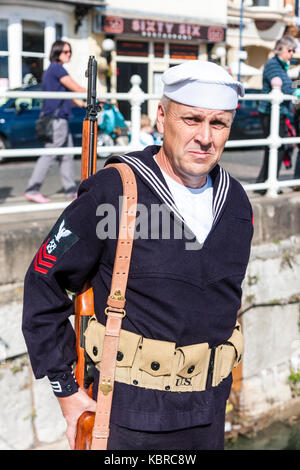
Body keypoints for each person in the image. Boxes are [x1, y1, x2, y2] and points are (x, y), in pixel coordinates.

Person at [22, 60, 253, 450]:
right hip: (128, 420)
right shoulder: (116, 192)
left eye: (218, 124)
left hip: (210, 417)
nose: (204, 137)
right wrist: (68, 393)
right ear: (162, 118)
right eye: (191, 119)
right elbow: (44, 279)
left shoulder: (236, 203)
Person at [24, 40, 86, 204]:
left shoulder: (53, 69)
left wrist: (83, 104)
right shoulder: (56, 68)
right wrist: (95, 95)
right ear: (56, 52)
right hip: (56, 120)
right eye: (65, 52)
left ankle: (70, 190)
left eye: (69, 51)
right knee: (49, 154)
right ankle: (32, 189)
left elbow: (67, 96)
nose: (68, 54)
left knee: (66, 156)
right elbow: (74, 87)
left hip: (60, 119)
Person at [256, 35, 298, 194]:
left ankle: (265, 181)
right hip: (270, 112)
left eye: (293, 50)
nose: (292, 53)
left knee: (274, 147)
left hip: (278, 113)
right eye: (290, 50)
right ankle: (267, 182)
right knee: (277, 147)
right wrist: (297, 91)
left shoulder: (281, 66)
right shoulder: (274, 65)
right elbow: (284, 87)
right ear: (280, 49)